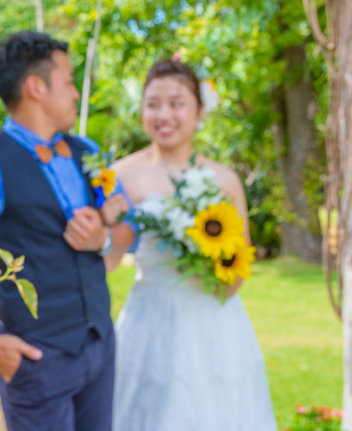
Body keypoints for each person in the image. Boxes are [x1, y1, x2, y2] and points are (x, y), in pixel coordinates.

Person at [0, 31, 137, 431]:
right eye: (70, 81)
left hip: (99, 346)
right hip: (36, 360)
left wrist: (104, 239)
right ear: (36, 87)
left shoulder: (89, 152)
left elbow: (131, 229)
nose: (76, 93)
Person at [104, 59, 277, 430]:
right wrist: (105, 227)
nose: (163, 114)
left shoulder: (226, 180)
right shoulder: (120, 175)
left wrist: (209, 257)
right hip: (148, 321)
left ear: (200, 110)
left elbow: (237, 275)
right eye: (152, 104)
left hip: (215, 322)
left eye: (176, 103)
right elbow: (108, 262)